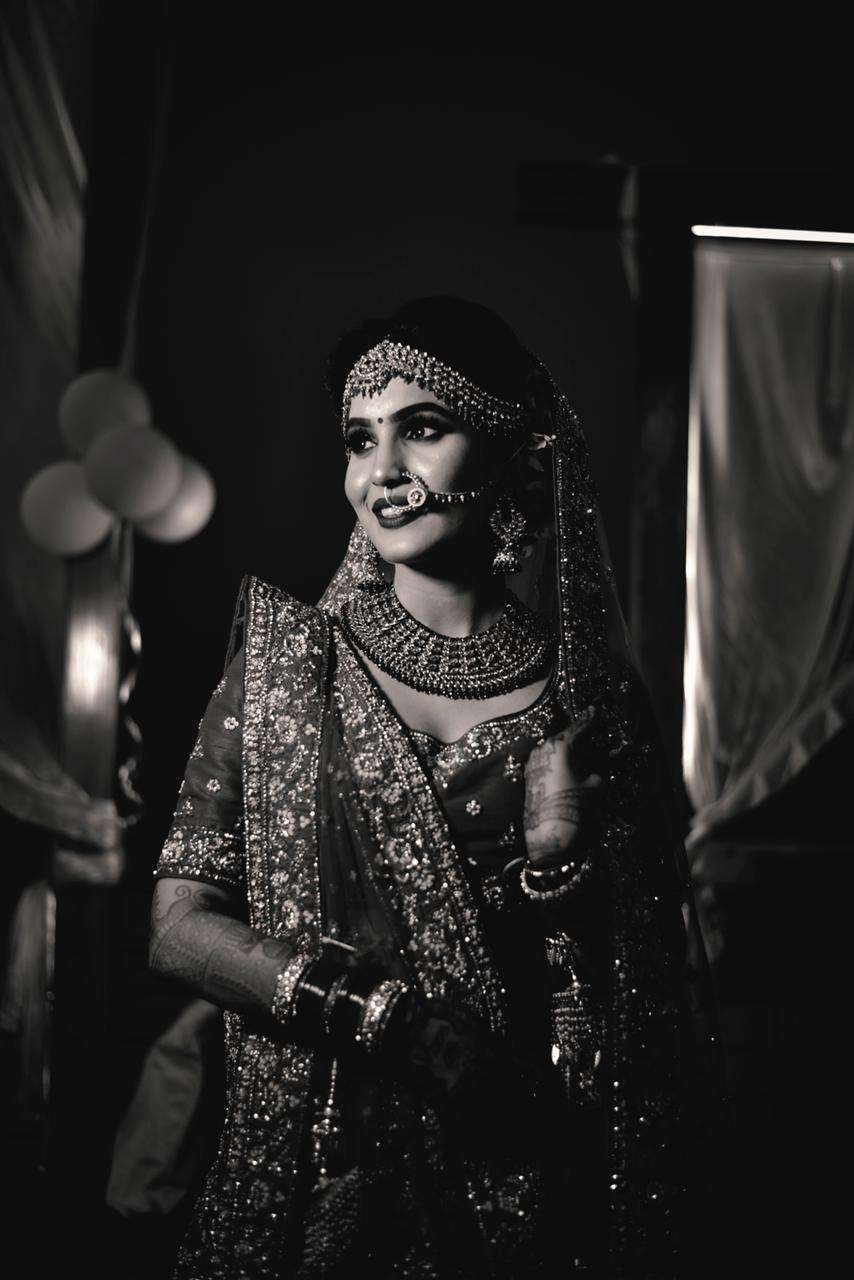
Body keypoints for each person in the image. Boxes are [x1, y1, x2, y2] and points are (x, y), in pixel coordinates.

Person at [149, 296, 714, 1279]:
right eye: (358, 439)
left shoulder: (585, 703)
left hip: (516, 1187)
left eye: (422, 427)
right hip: (318, 1180)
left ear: (508, 449)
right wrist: (384, 1017)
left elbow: (632, 1025)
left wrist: (556, 864)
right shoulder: (286, 670)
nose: (382, 472)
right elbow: (177, 925)